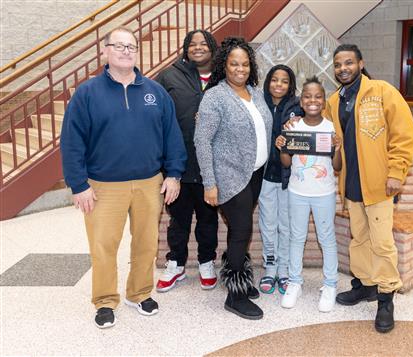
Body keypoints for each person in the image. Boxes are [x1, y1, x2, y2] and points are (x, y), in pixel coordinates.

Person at [60, 27, 187, 329]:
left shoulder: (155, 92)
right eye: (119, 45)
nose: (126, 51)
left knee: (146, 243)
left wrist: (174, 174)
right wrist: (79, 185)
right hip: (103, 186)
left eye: (131, 46)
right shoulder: (87, 94)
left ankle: (139, 292)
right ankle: (104, 300)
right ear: (104, 51)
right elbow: (72, 142)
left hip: (149, 183)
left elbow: (172, 136)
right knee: (104, 245)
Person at [327, 44, 413, 332]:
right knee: (359, 239)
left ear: (361, 63)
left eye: (349, 63)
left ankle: (385, 297)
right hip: (351, 184)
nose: (343, 68)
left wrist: (396, 172)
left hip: (379, 185)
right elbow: (325, 135)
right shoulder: (334, 101)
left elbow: (404, 135)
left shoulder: (382, 92)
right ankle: (365, 285)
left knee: (382, 243)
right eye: (338, 64)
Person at [194, 37, 272, 320]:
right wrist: (210, 183)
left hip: (254, 174)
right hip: (228, 176)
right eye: (234, 64)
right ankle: (235, 295)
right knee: (241, 231)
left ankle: (239, 275)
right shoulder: (215, 95)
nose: (240, 68)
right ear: (223, 66)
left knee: (240, 231)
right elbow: (202, 141)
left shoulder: (255, 92)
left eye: (245, 63)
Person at [155, 30, 219, 292]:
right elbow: (154, 114)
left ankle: (206, 262)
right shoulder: (170, 75)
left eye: (203, 44)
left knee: (208, 220)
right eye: (192, 44)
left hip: (211, 168)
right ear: (185, 49)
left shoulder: (223, 76)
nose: (198, 48)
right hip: (177, 166)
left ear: (212, 48)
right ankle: (176, 265)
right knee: (178, 221)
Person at [275, 77, 342, 312]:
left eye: (317, 96)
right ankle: (295, 282)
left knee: (327, 238)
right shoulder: (292, 126)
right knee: (296, 237)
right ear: (301, 101)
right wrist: (283, 145)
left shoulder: (331, 127)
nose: (312, 100)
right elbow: (285, 163)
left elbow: (337, 166)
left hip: (324, 193)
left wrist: (337, 147)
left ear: (323, 101)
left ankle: (331, 284)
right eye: (307, 96)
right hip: (297, 192)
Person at [258, 65, 302, 295]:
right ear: (268, 82)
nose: (279, 85)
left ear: (290, 85)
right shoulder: (258, 102)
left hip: (288, 177)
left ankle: (283, 270)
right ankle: (270, 266)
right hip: (265, 175)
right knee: (268, 223)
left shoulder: (297, 108)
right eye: (274, 80)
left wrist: (296, 126)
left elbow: (305, 138)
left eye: (284, 81)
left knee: (285, 224)